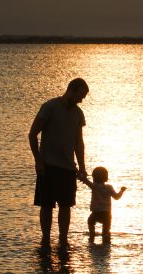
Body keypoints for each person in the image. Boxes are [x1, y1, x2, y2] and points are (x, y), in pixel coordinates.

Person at [29, 78, 89, 248]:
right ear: (72, 90)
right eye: (80, 95)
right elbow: (32, 134)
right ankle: (45, 239)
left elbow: (79, 142)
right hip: (47, 166)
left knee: (66, 206)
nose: (81, 99)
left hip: (68, 168)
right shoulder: (50, 107)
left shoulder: (78, 114)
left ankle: (63, 239)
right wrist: (38, 160)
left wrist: (82, 167)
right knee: (46, 205)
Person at [78, 166, 126, 242]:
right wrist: (122, 191)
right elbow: (117, 197)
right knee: (106, 231)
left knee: (90, 221)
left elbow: (86, 180)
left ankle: (92, 234)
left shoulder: (94, 186)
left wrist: (80, 175)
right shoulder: (109, 187)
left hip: (96, 212)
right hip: (107, 213)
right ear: (106, 177)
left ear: (94, 177)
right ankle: (106, 240)